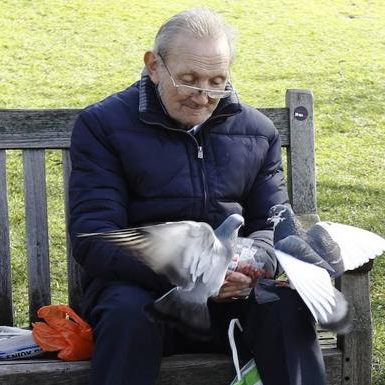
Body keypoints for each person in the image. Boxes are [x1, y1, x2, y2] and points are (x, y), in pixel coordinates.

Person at [68, 8, 326, 385]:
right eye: (188, 79)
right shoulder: (103, 126)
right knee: (125, 314)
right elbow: (94, 236)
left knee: (286, 306)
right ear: (154, 66)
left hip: (235, 300)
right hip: (146, 296)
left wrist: (257, 265)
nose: (203, 96)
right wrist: (192, 275)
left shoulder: (257, 133)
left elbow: (273, 225)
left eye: (217, 81)